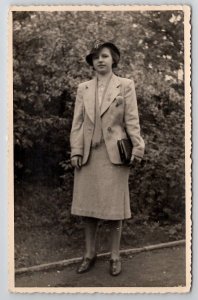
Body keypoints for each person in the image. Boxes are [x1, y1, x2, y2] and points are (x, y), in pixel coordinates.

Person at [70, 40, 145, 276]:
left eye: (104, 56)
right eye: (95, 57)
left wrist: (138, 148)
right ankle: (89, 254)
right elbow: (78, 123)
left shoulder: (125, 85)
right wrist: (76, 150)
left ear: (114, 59)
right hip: (89, 156)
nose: (100, 60)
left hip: (115, 156)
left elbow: (132, 121)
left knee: (114, 210)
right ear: (92, 63)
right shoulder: (84, 88)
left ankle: (114, 256)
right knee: (88, 209)